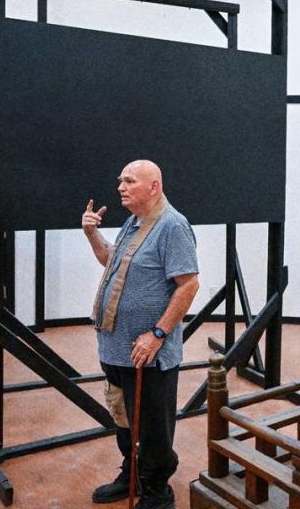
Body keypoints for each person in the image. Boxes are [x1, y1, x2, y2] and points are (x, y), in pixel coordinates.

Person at [82, 159, 199, 509]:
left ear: (154, 186)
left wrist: (157, 334)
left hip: (148, 354)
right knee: (123, 417)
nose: (121, 187)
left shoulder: (172, 226)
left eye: (130, 181)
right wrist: (91, 234)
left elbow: (189, 284)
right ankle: (131, 474)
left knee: (152, 427)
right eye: (120, 180)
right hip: (117, 350)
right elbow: (111, 262)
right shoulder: (133, 223)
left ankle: (157, 491)